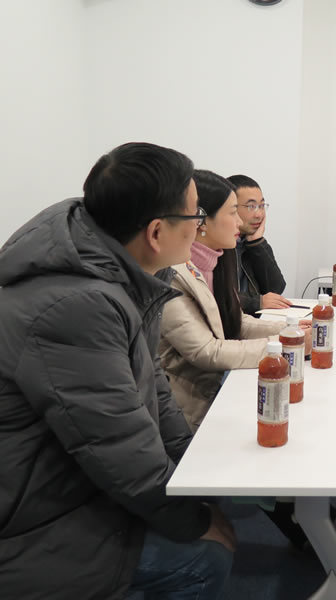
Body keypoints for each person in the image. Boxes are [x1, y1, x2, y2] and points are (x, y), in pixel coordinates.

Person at [0, 143, 235, 599]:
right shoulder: (77, 306)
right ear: (156, 232)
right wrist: (194, 519)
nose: (200, 226)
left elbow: (153, 387)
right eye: (195, 216)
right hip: (34, 520)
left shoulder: (124, 273)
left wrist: (194, 469)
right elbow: (118, 450)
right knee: (205, 558)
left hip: (73, 482)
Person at [159, 169, 310, 432]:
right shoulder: (173, 273)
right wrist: (284, 344)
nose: (240, 222)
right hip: (187, 411)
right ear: (201, 221)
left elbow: (235, 321)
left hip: (215, 391)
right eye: (234, 213)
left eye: (261, 206)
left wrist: (291, 330)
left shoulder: (218, 259)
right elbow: (206, 351)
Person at [228, 174, 289, 316]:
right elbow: (216, 296)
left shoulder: (251, 242)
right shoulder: (218, 245)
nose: (259, 214)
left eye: (261, 206)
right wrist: (256, 302)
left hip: (251, 322)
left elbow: (276, 289)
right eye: (251, 206)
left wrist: (256, 243)